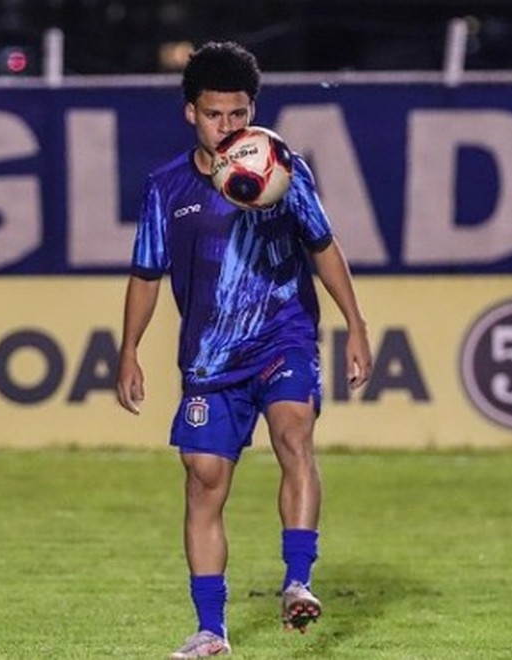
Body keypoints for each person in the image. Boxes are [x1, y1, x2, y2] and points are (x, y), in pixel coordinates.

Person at [116, 41, 373, 658]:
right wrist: (128, 350)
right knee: (204, 481)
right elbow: (146, 275)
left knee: (295, 433)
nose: (227, 128)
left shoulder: (284, 171)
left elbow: (323, 246)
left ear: (252, 109)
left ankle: (297, 581)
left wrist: (356, 324)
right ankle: (211, 630)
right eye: (214, 116)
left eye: (237, 115)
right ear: (191, 115)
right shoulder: (166, 188)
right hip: (210, 359)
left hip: (283, 337)